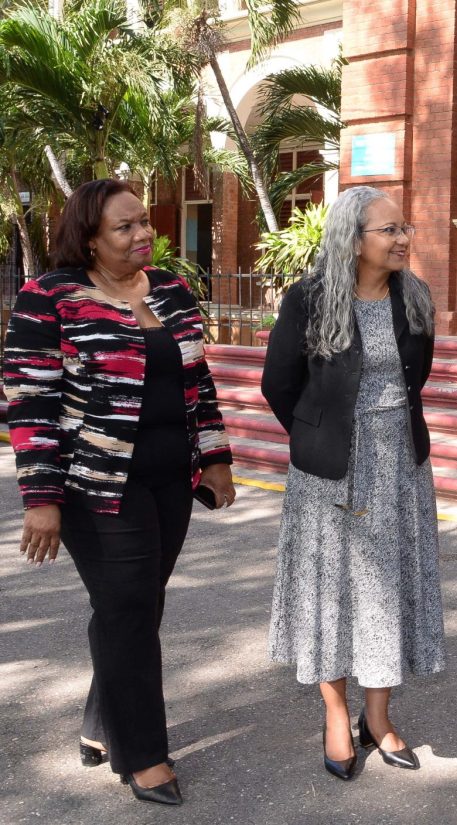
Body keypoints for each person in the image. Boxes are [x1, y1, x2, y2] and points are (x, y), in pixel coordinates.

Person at [3, 179, 236, 806]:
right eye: (125, 228)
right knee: (129, 607)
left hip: (170, 478)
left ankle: (103, 724)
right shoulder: (47, 298)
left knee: (138, 605)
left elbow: (199, 381)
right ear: (88, 238)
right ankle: (143, 756)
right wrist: (42, 498)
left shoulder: (170, 289)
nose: (143, 235)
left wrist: (215, 459)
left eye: (144, 224)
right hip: (95, 485)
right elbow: (31, 404)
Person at [261, 186, 444, 782]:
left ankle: (380, 716)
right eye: (388, 230)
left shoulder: (414, 297)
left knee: (387, 590)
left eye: (403, 227)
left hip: (400, 467)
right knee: (330, 593)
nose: (402, 239)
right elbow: (278, 385)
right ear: (352, 239)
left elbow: (418, 376)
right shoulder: (308, 300)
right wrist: (321, 433)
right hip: (328, 472)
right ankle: (336, 715)